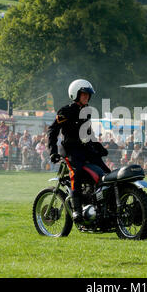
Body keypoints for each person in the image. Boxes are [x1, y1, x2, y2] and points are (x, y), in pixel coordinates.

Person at [47, 79, 110, 222]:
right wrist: (53, 151)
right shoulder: (65, 111)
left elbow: (88, 133)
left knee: (106, 173)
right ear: (75, 94)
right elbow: (53, 130)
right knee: (77, 172)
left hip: (85, 149)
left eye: (88, 94)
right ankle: (77, 211)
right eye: (84, 94)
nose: (87, 96)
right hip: (70, 150)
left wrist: (99, 147)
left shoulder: (87, 112)